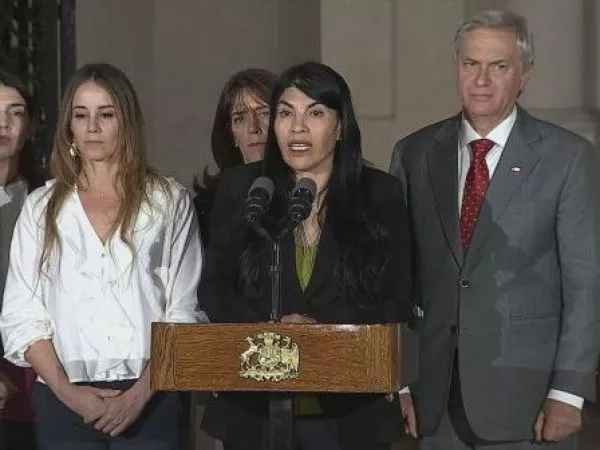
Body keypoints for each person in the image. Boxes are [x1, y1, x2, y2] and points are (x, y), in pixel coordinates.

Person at [389, 10, 600, 450]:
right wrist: (402, 380)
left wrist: (568, 391)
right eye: (471, 64)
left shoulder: (569, 158)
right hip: (436, 400)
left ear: (525, 74)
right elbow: (398, 278)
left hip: (529, 400)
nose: (481, 80)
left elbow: (586, 283)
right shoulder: (415, 153)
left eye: (499, 66)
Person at [199, 61, 412, 450]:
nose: (297, 128)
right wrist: (271, 335)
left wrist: (319, 333)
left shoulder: (380, 194)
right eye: (285, 114)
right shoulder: (245, 188)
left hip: (349, 409)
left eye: (314, 113)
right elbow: (215, 287)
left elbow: (395, 296)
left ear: (341, 126)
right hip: (255, 408)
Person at [0, 62, 206, 449]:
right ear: (69, 126)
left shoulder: (169, 201)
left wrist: (139, 396)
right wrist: (67, 392)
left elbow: (182, 311)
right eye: (81, 115)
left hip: (151, 397)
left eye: (106, 114)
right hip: (62, 399)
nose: (92, 127)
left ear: (126, 122)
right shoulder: (41, 207)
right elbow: (22, 315)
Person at [0, 67, 45, 450]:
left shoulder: (48, 198)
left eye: (15, 112)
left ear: (29, 126)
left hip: (39, 366)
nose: (3, 123)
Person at [193, 68, 277, 246]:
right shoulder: (206, 207)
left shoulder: (301, 196)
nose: (253, 127)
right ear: (232, 135)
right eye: (240, 118)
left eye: (264, 113)